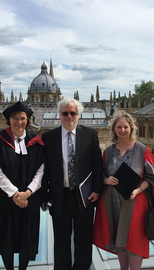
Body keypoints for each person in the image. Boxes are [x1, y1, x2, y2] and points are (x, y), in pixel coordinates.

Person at [93, 110, 154, 270]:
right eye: (119, 127)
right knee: (120, 241)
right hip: (113, 204)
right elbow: (102, 174)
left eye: (126, 127)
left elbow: (151, 178)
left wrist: (138, 190)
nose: (122, 130)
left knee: (134, 242)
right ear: (114, 129)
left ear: (131, 128)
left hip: (135, 202)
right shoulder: (109, 151)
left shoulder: (141, 150)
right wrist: (106, 180)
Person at [0, 101, 45, 270]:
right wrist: (16, 194)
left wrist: (27, 193)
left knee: (26, 237)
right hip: (5, 200)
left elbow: (41, 170)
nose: (19, 122)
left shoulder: (35, 141)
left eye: (22, 118)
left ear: (28, 120)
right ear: (9, 120)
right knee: (6, 239)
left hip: (28, 200)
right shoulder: (0, 140)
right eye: (15, 118)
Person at [41, 98, 103, 270]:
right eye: (65, 113)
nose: (69, 116)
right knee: (61, 241)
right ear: (59, 115)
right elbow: (44, 170)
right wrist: (45, 197)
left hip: (84, 196)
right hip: (59, 196)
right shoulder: (48, 137)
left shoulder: (90, 134)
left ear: (78, 115)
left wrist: (97, 190)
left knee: (83, 241)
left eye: (73, 113)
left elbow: (97, 164)